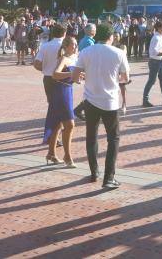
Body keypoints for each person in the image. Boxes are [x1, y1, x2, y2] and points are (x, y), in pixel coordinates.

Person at [72, 24, 129, 188]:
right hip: (110, 101)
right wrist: (115, 78)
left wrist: (83, 77)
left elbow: (76, 76)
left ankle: (94, 171)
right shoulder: (119, 53)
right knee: (113, 138)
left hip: (90, 100)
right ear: (111, 37)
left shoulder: (86, 52)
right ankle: (109, 177)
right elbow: (125, 77)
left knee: (91, 136)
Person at [44, 36, 79, 167]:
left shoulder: (74, 59)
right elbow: (55, 74)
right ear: (66, 46)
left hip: (68, 91)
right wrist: (71, 75)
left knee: (57, 124)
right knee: (70, 124)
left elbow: (73, 76)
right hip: (60, 92)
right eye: (73, 44)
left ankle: (51, 154)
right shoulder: (64, 58)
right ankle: (67, 156)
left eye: (76, 44)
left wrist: (79, 77)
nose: (75, 47)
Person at [34, 24, 68, 114]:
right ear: (64, 33)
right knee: (63, 103)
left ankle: (53, 121)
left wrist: (45, 68)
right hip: (62, 78)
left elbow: (36, 64)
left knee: (51, 103)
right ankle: (59, 123)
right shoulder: (65, 47)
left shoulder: (45, 46)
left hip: (48, 78)